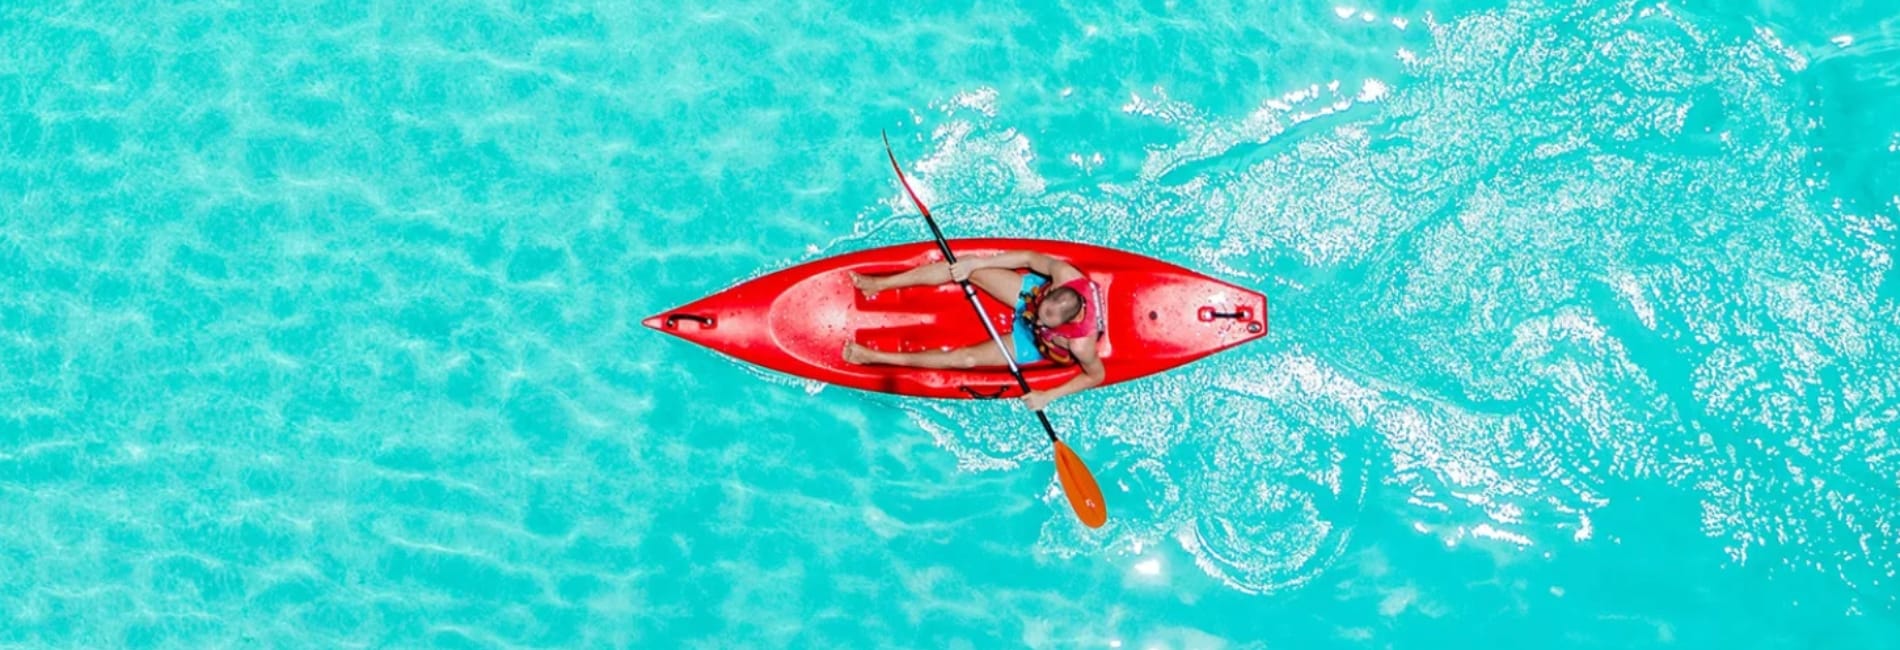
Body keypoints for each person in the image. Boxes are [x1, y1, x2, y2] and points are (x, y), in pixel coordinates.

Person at [843, 250, 1106, 410]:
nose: (1037, 318)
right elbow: (1027, 257)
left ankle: (874, 357)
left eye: (1045, 320)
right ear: (1055, 289)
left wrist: (1048, 396)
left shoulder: (1081, 344)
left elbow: (1095, 376)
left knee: (966, 359)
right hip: (1029, 294)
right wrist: (976, 264)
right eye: (1041, 309)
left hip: (1033, 342)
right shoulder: (1064, 273)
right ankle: (879, 285)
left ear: (1064, 325)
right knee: (963, 267)